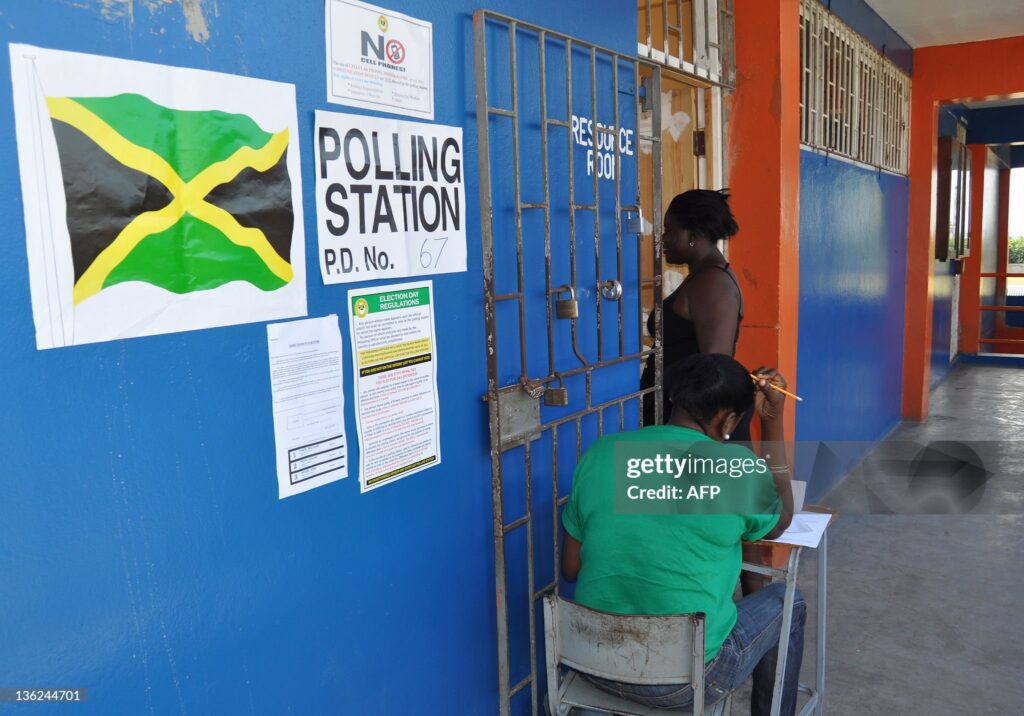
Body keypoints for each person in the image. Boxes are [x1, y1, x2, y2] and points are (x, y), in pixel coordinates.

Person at [562, 353, 800, 715]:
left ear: (674, 397)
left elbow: (571, 568)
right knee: (788, 602)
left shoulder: (601, 453)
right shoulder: (736, 470)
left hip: (591, 660)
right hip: (682, 682)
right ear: (729, 420)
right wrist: (772, 420)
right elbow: (783, 519)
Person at [641, 189, 747, 438]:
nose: (663, 238)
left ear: (693, 236)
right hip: (677, 412)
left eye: (670, 231)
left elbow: (714, 369)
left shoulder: (712, 283)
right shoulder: (702, 276)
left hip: (689, 422)